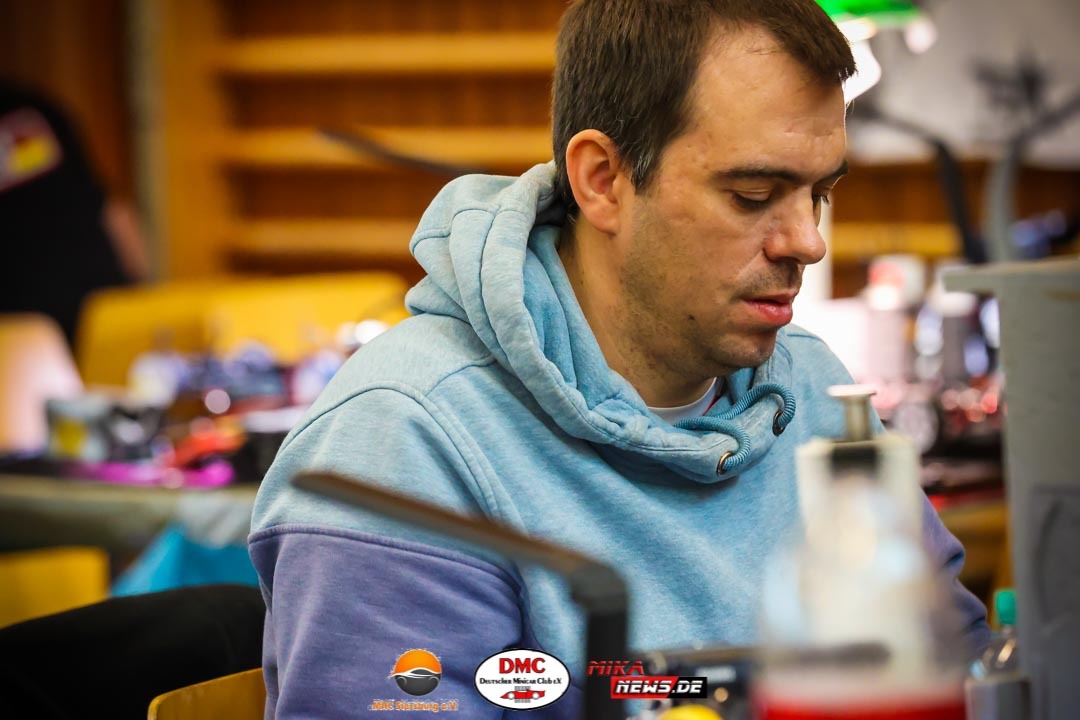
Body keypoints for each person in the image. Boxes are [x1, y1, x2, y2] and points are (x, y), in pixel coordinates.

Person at [250, 1, 990, 717]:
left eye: (819, 194)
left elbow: (959, 674)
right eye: (753, 193)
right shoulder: (401, 446)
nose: (808, 242)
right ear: (602, 180)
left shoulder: (814, 387)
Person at [0, 81, 147, 348]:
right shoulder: (33, 109)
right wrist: (146, 301)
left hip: (31, 338)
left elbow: (113, 212)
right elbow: (116, 214)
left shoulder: (31, 110)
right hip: (107, 315)